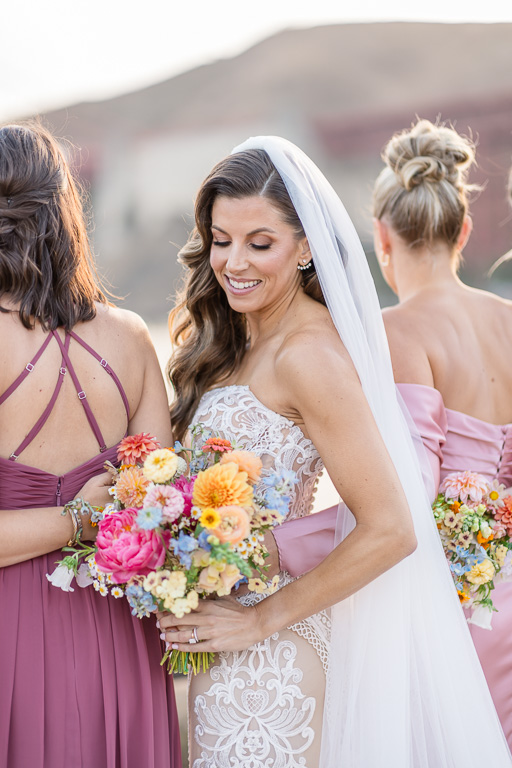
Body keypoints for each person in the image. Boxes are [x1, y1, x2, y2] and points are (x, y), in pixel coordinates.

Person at [159, 135, 511, 767]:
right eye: (220, 239)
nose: (233, 261)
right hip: (222, 644)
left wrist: (262, 618)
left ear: (305, 248)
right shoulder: (235, 344)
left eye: (259, 243)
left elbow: (393, 527)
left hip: (273, 661)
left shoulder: (309, 355)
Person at [260, 119, 512, 749]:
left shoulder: (398, 333)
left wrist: (275, 548)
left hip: (456, 609)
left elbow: (407, 493)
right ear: (464, 231)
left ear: (381, 236)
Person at [0, 122, 181, 768]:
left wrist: (72, 518)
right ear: (66, 212)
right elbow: (161, 511)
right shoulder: (132, 338)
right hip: (116, 637)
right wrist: (85, 516)